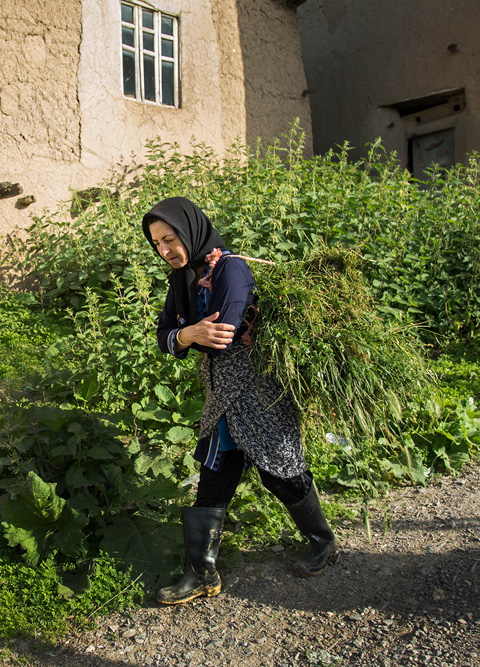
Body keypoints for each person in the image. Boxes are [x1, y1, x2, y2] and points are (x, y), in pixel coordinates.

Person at [142, 196, 337, 605]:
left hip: (258, 390)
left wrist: (185, 335)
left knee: (280, 470)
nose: (165, 250)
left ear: (191, 230)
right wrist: (185, 334)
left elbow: (222, 334)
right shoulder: (181, 280)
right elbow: (164, 337)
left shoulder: (231, 268)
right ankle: (200, 573)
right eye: (157, 243)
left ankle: (322, 540)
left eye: (171, 238)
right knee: (215, 471)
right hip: (219, 391)